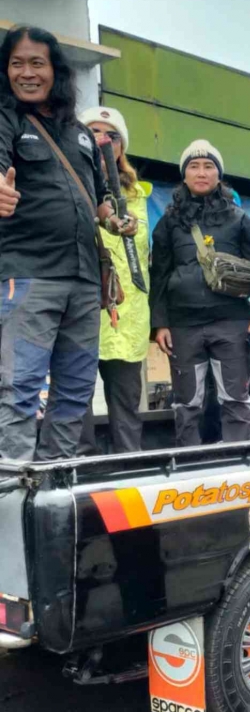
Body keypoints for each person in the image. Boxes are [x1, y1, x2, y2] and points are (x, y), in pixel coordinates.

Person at [0, 25, 136, 462]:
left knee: (75, 393)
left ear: (55, 71)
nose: (27, 73)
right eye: (17, 63)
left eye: (36, 63)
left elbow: (96, 198)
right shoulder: (5, 118)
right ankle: (10, 502)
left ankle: (55, 486)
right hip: (29, 275)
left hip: (83, 282)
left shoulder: (78, 131)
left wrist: (115, 220)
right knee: (19, 389)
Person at [150, 139, 250, 445]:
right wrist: (160, 324)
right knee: (186, 403)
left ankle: (236, 466)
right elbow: (159, 275)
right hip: (183, 325)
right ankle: (192, 468)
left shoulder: (240, 219)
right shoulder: (168, 223)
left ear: (219, 174)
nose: (201, 173)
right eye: (194, 166)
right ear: (184, 174)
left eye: (208, 166)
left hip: (231, 323)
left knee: (235, 399)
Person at [79, 106, 151, 453]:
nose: (102, 140)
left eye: (112, 135)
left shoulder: (141, 196)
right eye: (92, 131)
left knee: (126, 408)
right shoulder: (69, 184)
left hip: (127, 315)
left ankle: (129, 476)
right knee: (74, 400)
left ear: (122, 146)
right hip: (81, 307)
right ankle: (79, 479)